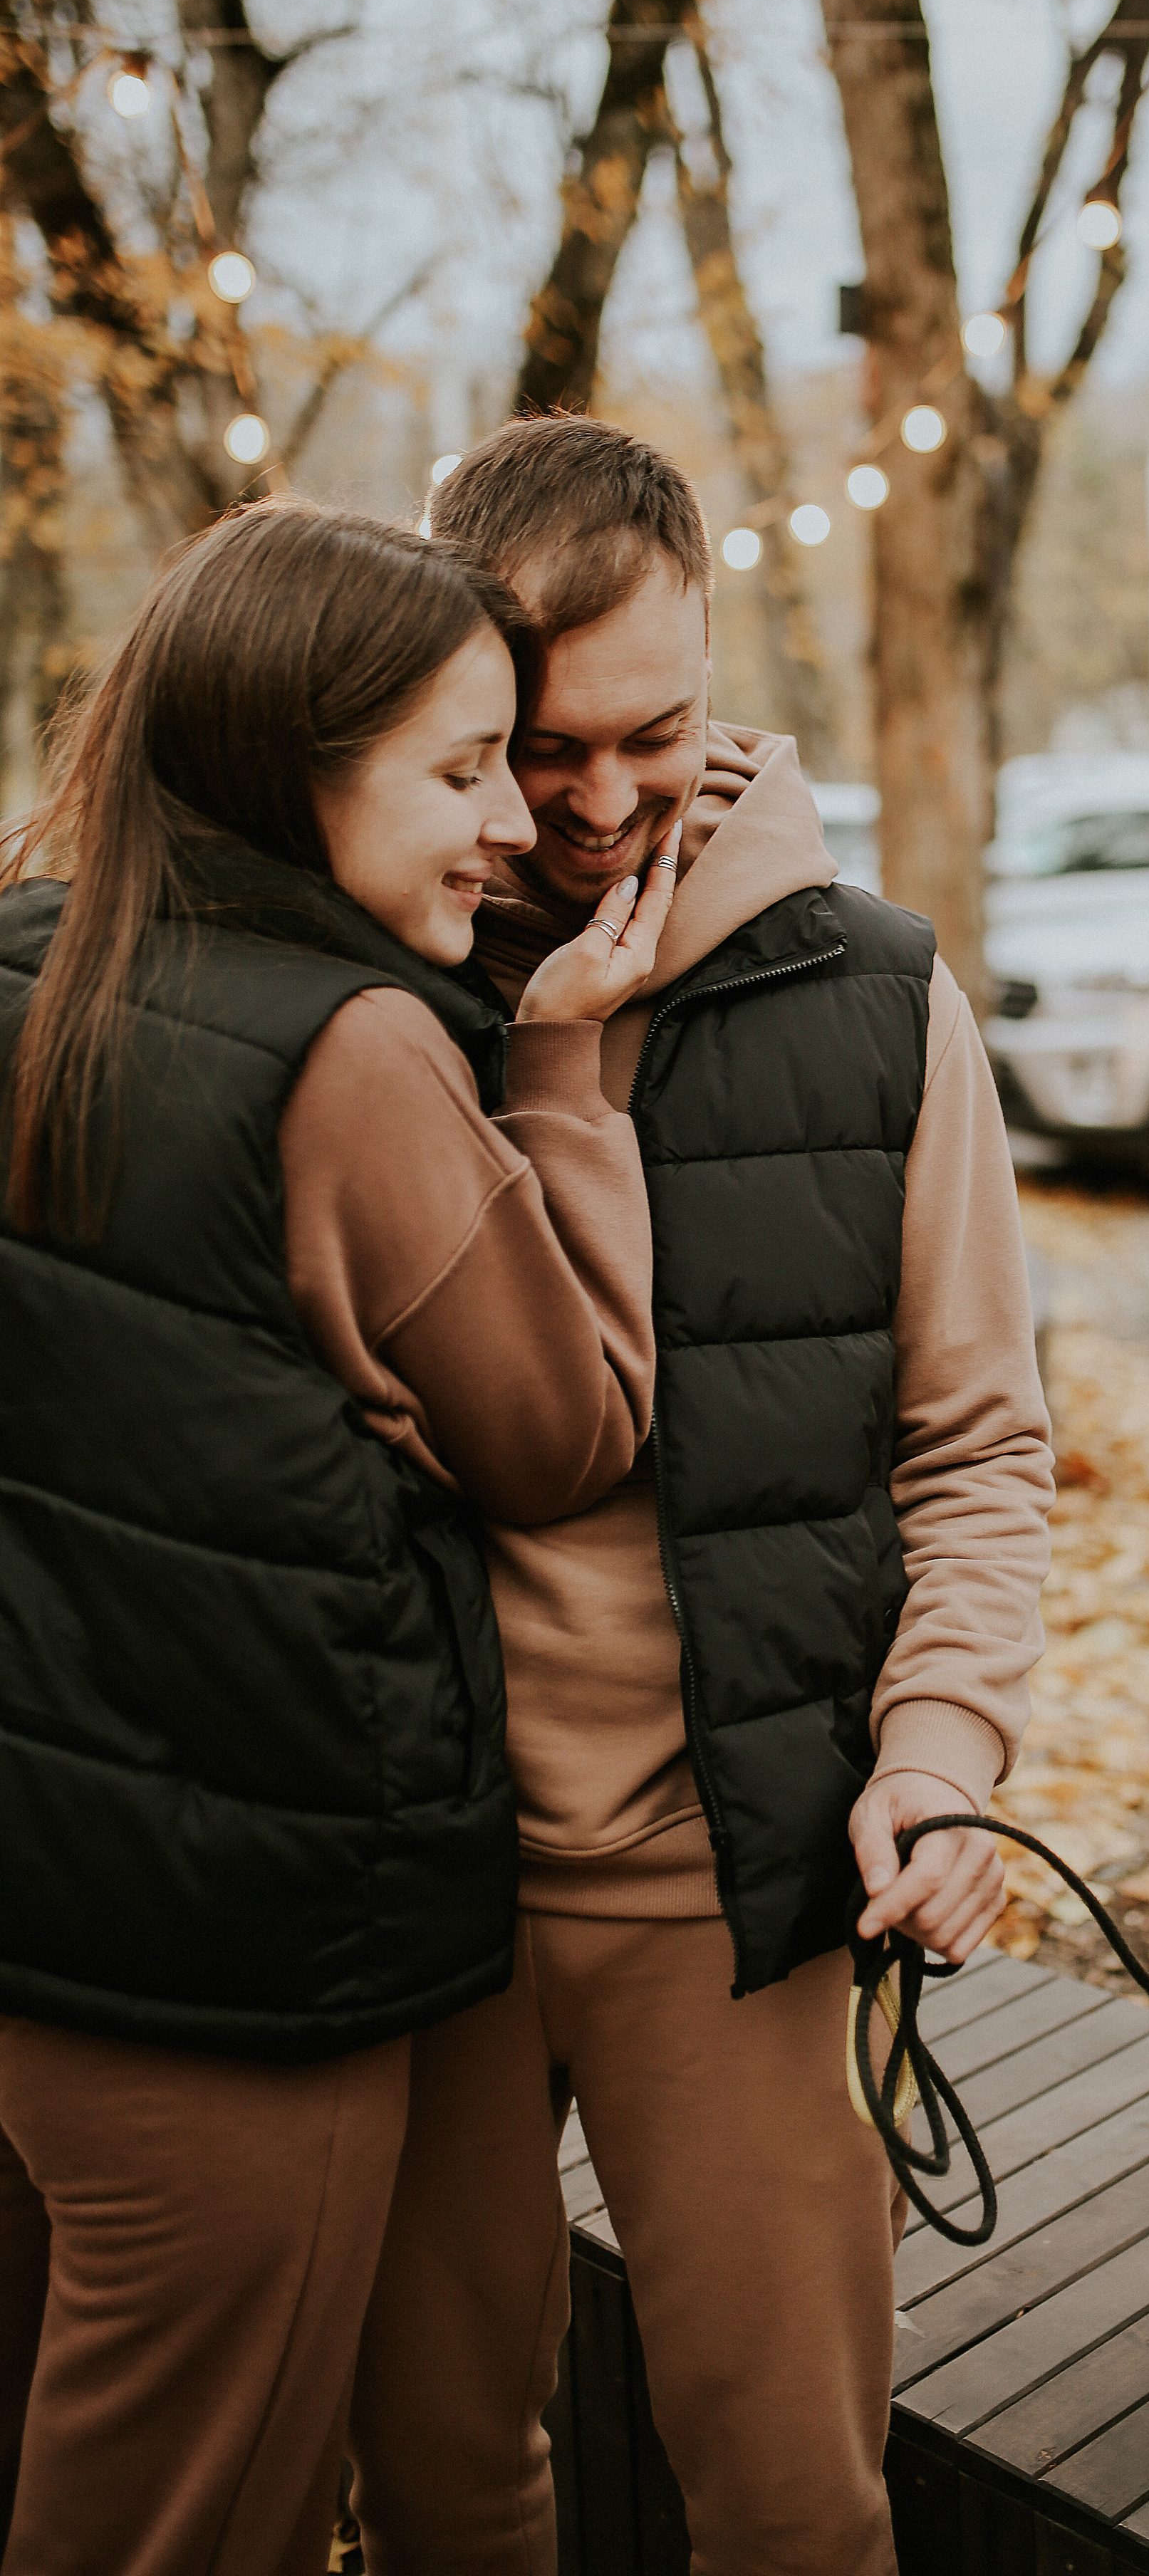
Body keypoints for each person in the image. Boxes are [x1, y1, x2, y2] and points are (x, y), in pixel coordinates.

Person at [346, 417, 1054, 2576]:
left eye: (649, 733)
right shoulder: (370, 988)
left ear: (720, 671)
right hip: (419, 1879)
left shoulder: (876, 995)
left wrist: (940, 1754)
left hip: (740, 1884)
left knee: (795, 2500)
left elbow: (979, 1442)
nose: (589, 802)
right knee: (447, 2478)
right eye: (536, 749)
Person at [0, 499, 680, 2576]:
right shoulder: (362, 1046)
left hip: (39, 1900)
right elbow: (568, 1428)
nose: (505, 824)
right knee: (195, 2508)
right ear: (295, 761)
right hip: (234, 1944)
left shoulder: (26, 950)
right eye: (459, 767)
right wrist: (557, 1061)